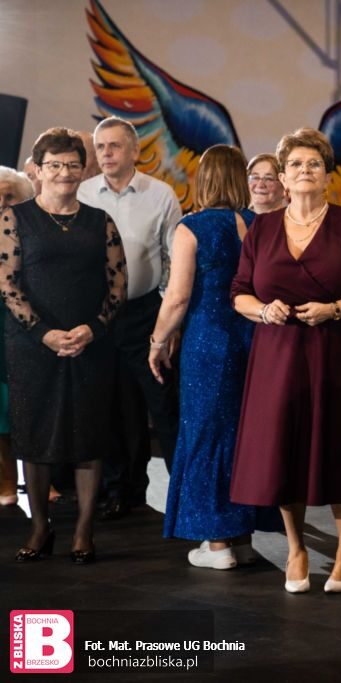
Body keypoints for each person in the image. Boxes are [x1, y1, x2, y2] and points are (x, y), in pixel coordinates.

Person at [230, 127, 341, 593]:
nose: (304, 170)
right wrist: (264, 311)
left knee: (339, 445)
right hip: (276, 355)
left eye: (313, 163)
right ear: (281, 176)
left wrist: (335, 309)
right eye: (295, 164)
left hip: (336, 348)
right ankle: (295, 548)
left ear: (327, 174)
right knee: (283, 448)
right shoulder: (262, 228)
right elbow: (239, 293)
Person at [1, 127, 127, 563]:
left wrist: (92, 329)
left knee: (89, 436)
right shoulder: (14, 218)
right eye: (54, 165)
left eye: (72, 164)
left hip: (91, 344)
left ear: (83, 168)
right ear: (37, 170)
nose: (64, 172)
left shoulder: (100, 220)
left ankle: (84, 531)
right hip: (32, 345)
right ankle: (40, 527)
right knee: (33, 437)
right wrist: (44, 333)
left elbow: (118, 285)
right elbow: (8, 285)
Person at [148, 145, 263, 570]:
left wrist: (157, 341)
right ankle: (243, 539)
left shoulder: (192, 227)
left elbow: (178, 298)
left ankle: (217, 546)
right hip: (252, 339)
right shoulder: (259, 225)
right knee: (243, 437)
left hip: (208, 343)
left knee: (206, 435)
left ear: (205, 178)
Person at [78, 116, 183, 521]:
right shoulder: (85, 193)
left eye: (114, 145)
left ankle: (184, 495)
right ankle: (123, 490)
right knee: (114, 409)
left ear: (135, 151)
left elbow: (175, 258)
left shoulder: (160, 194)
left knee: (164, 406)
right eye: (100, 146)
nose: (105, 153)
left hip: (146, 315)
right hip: (98, 317)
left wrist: (168, 321)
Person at [0, 167, 34, 505]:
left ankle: (41, 482)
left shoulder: (34, 233)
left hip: (27, 330)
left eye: (9, 196)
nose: (1, 202)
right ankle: (6, 483)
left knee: (26, 404)